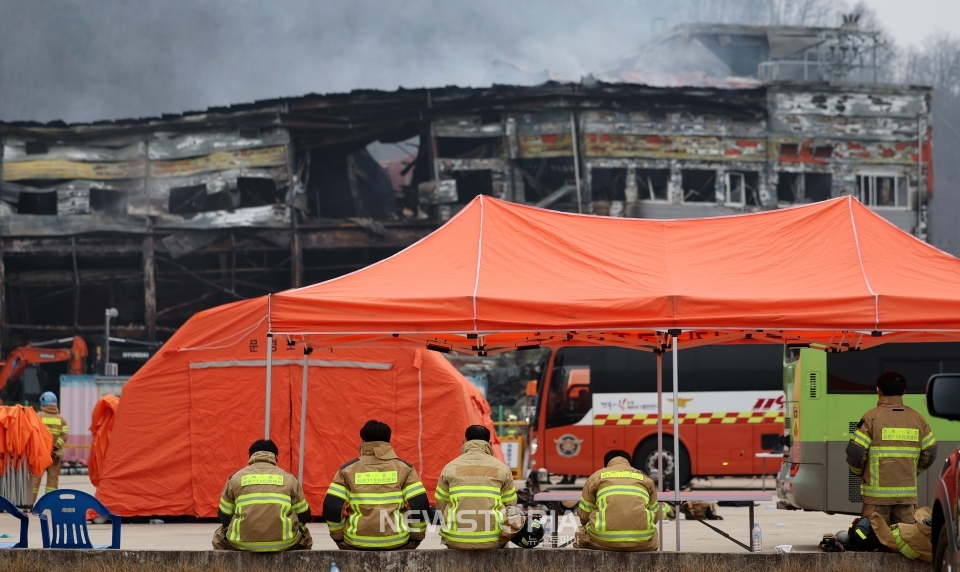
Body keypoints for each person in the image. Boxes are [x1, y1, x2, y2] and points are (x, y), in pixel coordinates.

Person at [846, 371, 937, 525]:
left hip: (876, 499)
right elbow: (931, 453)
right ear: (903, 392)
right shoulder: (918, 419)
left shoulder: (871, 418)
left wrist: (861, 473)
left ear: (879, 391)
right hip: (906, 500)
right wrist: (912, 470)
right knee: (906, 542)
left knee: (874, 541)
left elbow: (855, 453)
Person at [322, 420, 429, 550]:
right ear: (388, 441)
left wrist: (338, 537)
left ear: (363, 441)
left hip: (356, 541)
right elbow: (419, 504)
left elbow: (332, 506)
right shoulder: (405, 469)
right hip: (396, 540)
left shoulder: (347, 470)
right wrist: (415, 537)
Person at [435, 425, 529, 549]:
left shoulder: (450, 468)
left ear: (464, 441)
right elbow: (510, 506)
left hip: (456, 539)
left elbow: (440, 503)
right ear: (489, 443)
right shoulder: (502, 469)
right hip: (494, 541)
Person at [213, 439, 312, 551]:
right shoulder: (289, 478)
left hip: (241, 543)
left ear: (250, 457)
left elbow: (224, 517)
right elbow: (304, 514)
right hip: (284, 543)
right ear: (276, 458)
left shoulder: (235, 478)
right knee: (305, 535)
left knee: (219, 535)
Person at [575, 449, 661, 551]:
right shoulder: (646, 479)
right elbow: (655, 516)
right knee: (654, 535)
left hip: (602, 539)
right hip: (642, 540)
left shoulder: (595, 477)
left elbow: (585, 516)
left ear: (606, 464)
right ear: (629, 464)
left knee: (580, 534)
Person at [33, 391, 68, 503]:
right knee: (52, 481)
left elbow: (33, 433)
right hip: (55, 456)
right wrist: (55, 447)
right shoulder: (61, 419)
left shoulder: (38, 416)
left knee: (35, 479)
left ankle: (29, 502)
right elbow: (65, 435)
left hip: (40, 455)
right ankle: (50, 503)